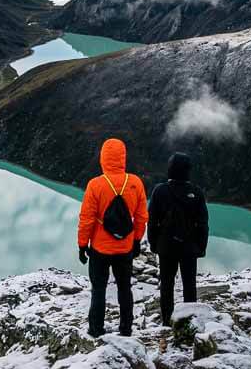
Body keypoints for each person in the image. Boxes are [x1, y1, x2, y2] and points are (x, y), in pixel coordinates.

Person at [77, 138, 148, 337]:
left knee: (98, 290)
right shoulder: (135, 182)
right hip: (125, 248)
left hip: (100, 250)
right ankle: (126, 328)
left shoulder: (95, 185)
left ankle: (96, 329)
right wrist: (136, 241)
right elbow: (142, 217)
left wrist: (83, 245)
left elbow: (87, 219)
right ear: (123, 157)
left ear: (103, 158)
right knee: (125, 289)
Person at [147, 151, 209, 326]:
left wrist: (153, 243)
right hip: (189, 247)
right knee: (190, 284)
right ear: (188, 170)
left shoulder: (160, 191)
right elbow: (203, 223)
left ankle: (167, 321)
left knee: (166, 285)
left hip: (166, 247)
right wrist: (201, 247)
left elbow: (152, 221)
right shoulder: (196, 192)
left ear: (170, 169)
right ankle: (190, 321)